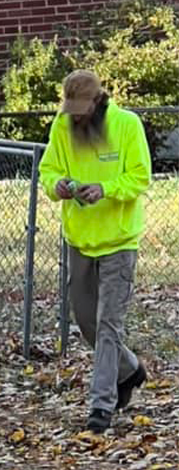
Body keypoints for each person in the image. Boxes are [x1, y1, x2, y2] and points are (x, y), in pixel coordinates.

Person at [39, 69, 151, 433]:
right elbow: (48, 170)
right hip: (80, 241)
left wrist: (105, 189)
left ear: (98, 101)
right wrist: (58, 185)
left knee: (108, 325)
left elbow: (140, 177)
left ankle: (101, 406)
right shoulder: (62, 127)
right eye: (70, 111)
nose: (75, 118)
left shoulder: (127, 125)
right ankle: (130, 370)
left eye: (81, 111)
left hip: (119, 241)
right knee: (87, 321)